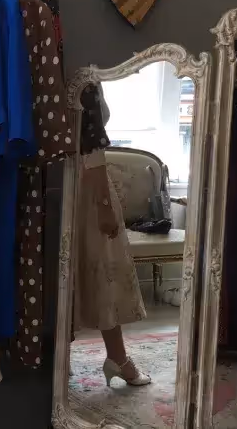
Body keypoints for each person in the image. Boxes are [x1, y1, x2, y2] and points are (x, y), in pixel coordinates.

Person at [74, 84, 151, 388]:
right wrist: (104, 203)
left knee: (86, 269)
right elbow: (91, 146)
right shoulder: (86, 76)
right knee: (102, 269)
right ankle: (118, 359)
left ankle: (115, 358)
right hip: (86, 186)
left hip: (68, 180)